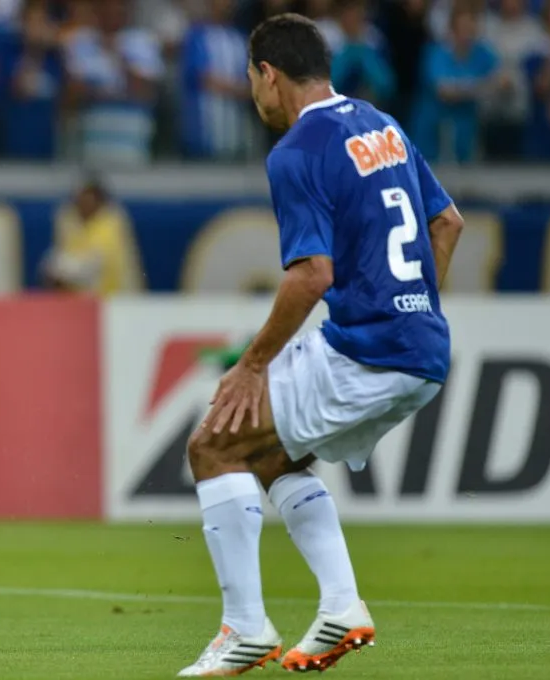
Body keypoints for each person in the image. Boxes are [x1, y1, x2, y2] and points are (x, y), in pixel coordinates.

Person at [178, 13, 464, 678]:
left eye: (253, 82)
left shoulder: (298, 151)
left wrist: (252, 365)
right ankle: (341, 605)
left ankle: (244, 627)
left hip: (367, 348)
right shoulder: (380, 124)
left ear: (268, 74)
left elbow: (312, 274)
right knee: (273, 457)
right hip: (420, 348)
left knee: (213, 444)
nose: (255, 97)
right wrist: (416, 306)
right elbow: (447, 222)